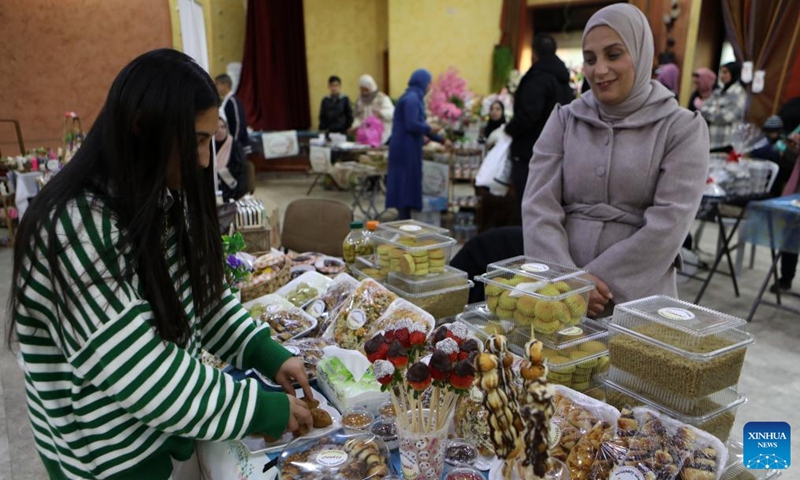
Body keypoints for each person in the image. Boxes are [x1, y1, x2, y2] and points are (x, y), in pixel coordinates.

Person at [9, 49, 314, 479]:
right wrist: (258, 407)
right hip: (108, 463)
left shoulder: (161, 198)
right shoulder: (74, 229)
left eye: (211, 140)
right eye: (196, 141)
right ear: (140, 129)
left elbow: (204, 301)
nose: (205, 159)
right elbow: (142, 373)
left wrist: (265, 352)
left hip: (164, 440)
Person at [521, 4, 709, 317]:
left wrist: (597, 285)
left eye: (613, 54)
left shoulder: (681, 128)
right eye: (590, 59)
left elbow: (670, 223)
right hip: (558, 297)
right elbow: (538, 205)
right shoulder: (564, 120)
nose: (599, 70)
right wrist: (567, 281)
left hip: (640, 298)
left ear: (641, 52)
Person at [505, 33, 575, 213]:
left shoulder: (537, 79)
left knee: (528, 206)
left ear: (534, 54)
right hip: (558, 151)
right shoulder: (564, 81)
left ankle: (526, 241)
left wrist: (509, 129)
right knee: (548, 207)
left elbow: (528, 115)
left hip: (531, 152)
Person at [386, 69, 446, 220]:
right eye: (428, 83)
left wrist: (441, 140)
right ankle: (403, 219)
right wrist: (429, 128)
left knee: (407, 182)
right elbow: (411, 124)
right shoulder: (411, 99)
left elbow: (419, 125)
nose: (429, 87)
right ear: (422, 82)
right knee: (404, 183)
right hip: (404, 148)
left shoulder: (414, 98)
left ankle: (406, 217)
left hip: (409, 147)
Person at [700, 62, 748, 152]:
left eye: (725, 72)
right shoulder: (718, 92)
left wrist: (710, 110)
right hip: (710, 141)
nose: (722, 75)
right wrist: (715, 110)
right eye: (721, 72)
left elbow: (725, 117)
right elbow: (702, 109)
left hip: (726, 143)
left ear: (734, 73)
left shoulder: (739, 94)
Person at [350, 74, 394, 145]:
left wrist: (381, 113)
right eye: (362, 90)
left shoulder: (382, 99)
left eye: (366, 90)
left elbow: (392, 113)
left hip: (382, 136)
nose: (364, 92)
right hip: (366, 137)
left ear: (371, 88)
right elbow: (359, 117)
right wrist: (354, 126)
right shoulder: (360, 101)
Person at [216, 116, 249, 202]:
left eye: (223, 127)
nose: (220, 131)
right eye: (216, 128)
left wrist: (221, 171)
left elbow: (240, 167)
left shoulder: (235, 145)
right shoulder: (210, 147)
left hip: (233, 186)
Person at [215, 73, 250, 152]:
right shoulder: (226, 101)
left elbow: (238, 123)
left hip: (238, 144)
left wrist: (234, 142)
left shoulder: (232, 101)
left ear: (225, 85)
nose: (216, 88)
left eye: (217, 84)